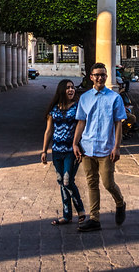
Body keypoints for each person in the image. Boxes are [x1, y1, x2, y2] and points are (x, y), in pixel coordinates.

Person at [73, 62, 127, 232]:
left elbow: (118, 124)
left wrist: (116, 147)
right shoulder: (85, 98)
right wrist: (75, 143)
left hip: (106, 147)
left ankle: (120, 202)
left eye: (103, 75)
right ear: (91, 77)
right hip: (87, 147)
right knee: (91, 183)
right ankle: (94, 218)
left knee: (108, 183)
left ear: (106, 76)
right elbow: (81, 121)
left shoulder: (114, 98)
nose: (100, 78)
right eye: (97, 75)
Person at [41, 79, 86, 226]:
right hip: (57, 151)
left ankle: (80, 209)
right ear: (62, 90)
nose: (71, 90)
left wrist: (79, 144)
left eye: (72, 87)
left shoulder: (78, 107)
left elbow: (82, 126)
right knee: (61, 182)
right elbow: (48, 131)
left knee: (67, 181)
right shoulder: (54, 109)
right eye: (68, 88)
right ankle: (67, 215)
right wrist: (44, 151)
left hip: (71, 150)